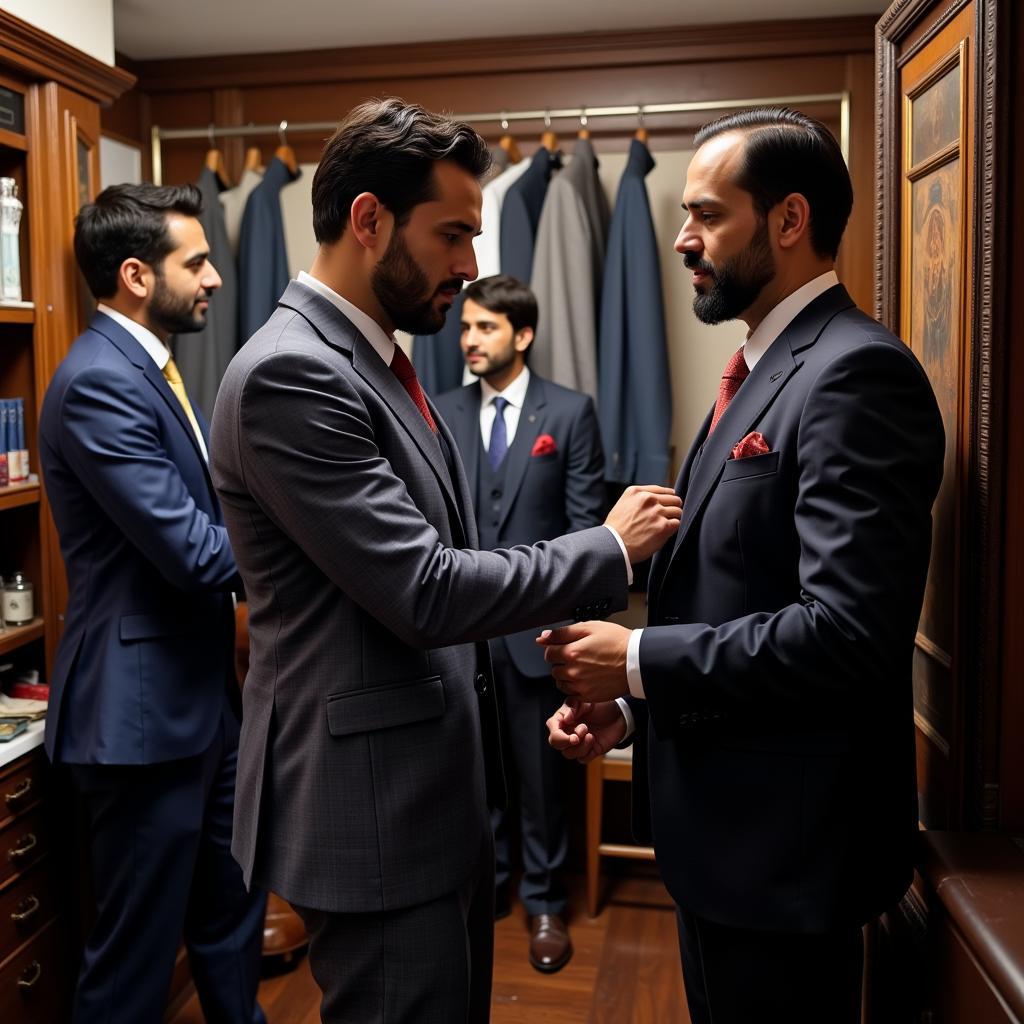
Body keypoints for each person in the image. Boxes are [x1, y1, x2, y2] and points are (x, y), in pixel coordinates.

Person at [209, 98, 681, 1024]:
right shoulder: (292, 373)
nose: (472, 269)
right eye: (456, 234)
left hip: (427, 795)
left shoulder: (377, 360)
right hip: (371, 809)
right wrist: (607, 549)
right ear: (369, 219)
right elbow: (423, 587)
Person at [543, 107, 945, 1024]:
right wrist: (634, 708)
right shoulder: (761, 366)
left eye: (707, 216)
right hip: (730, 841)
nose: (683, 239)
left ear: (789, 220)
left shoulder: (853, 373)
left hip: (789, 857)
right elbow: (743, 593)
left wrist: (637, 662)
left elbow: (846, 634)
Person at [38, 184, 266, 1023]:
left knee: (232, 923)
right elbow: (193, 550)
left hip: (205, 702)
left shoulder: (152, 368)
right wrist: (318, 544)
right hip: (139, 723)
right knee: (133, 963)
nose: (211, 278)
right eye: (195, 262)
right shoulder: (99, 380)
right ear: (136, 274)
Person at [435, 274, 603, 973]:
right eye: (465, 328)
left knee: (538, 778)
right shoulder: (439, 412)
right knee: (474, 775)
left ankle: (542, 901)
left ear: (522, 334)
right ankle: (491, 883)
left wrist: (576, 637)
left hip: (535, 635)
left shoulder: (569, 414)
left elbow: (585, 529)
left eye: (485, 329)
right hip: (461, 635)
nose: (469, 340)